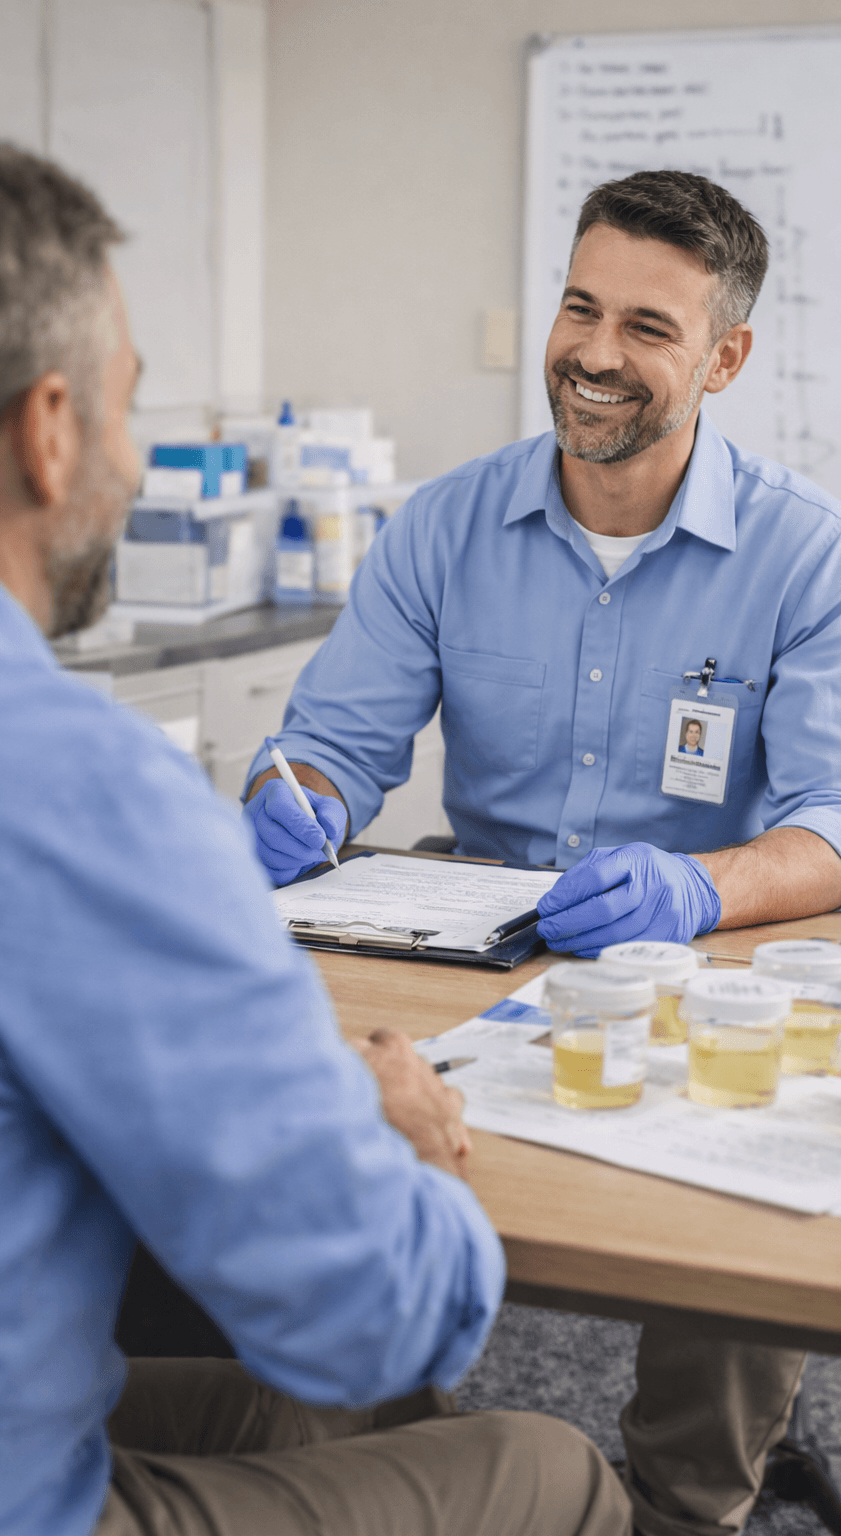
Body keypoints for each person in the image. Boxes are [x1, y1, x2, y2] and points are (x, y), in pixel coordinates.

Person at [0, 138, 632, 1536]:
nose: (136, 462)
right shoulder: (74, 788)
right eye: (131, 410)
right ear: (50, 427)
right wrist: (393, 1143)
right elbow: (377, 1316)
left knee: (279, 1415)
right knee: (551, 1469)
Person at [245, 170, 841, 1536]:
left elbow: (833, 820)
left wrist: (702, 884)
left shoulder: (805, 556)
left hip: (702, 970)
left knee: (754, 1225)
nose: (595, 354)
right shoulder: (447, 528)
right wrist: (305, 792)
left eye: (648, 326)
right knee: (327, 1139)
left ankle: (689, 1506)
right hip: (472, 960)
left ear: (726, 357)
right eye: (582, 307)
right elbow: (334, 743)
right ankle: (399, 1465)